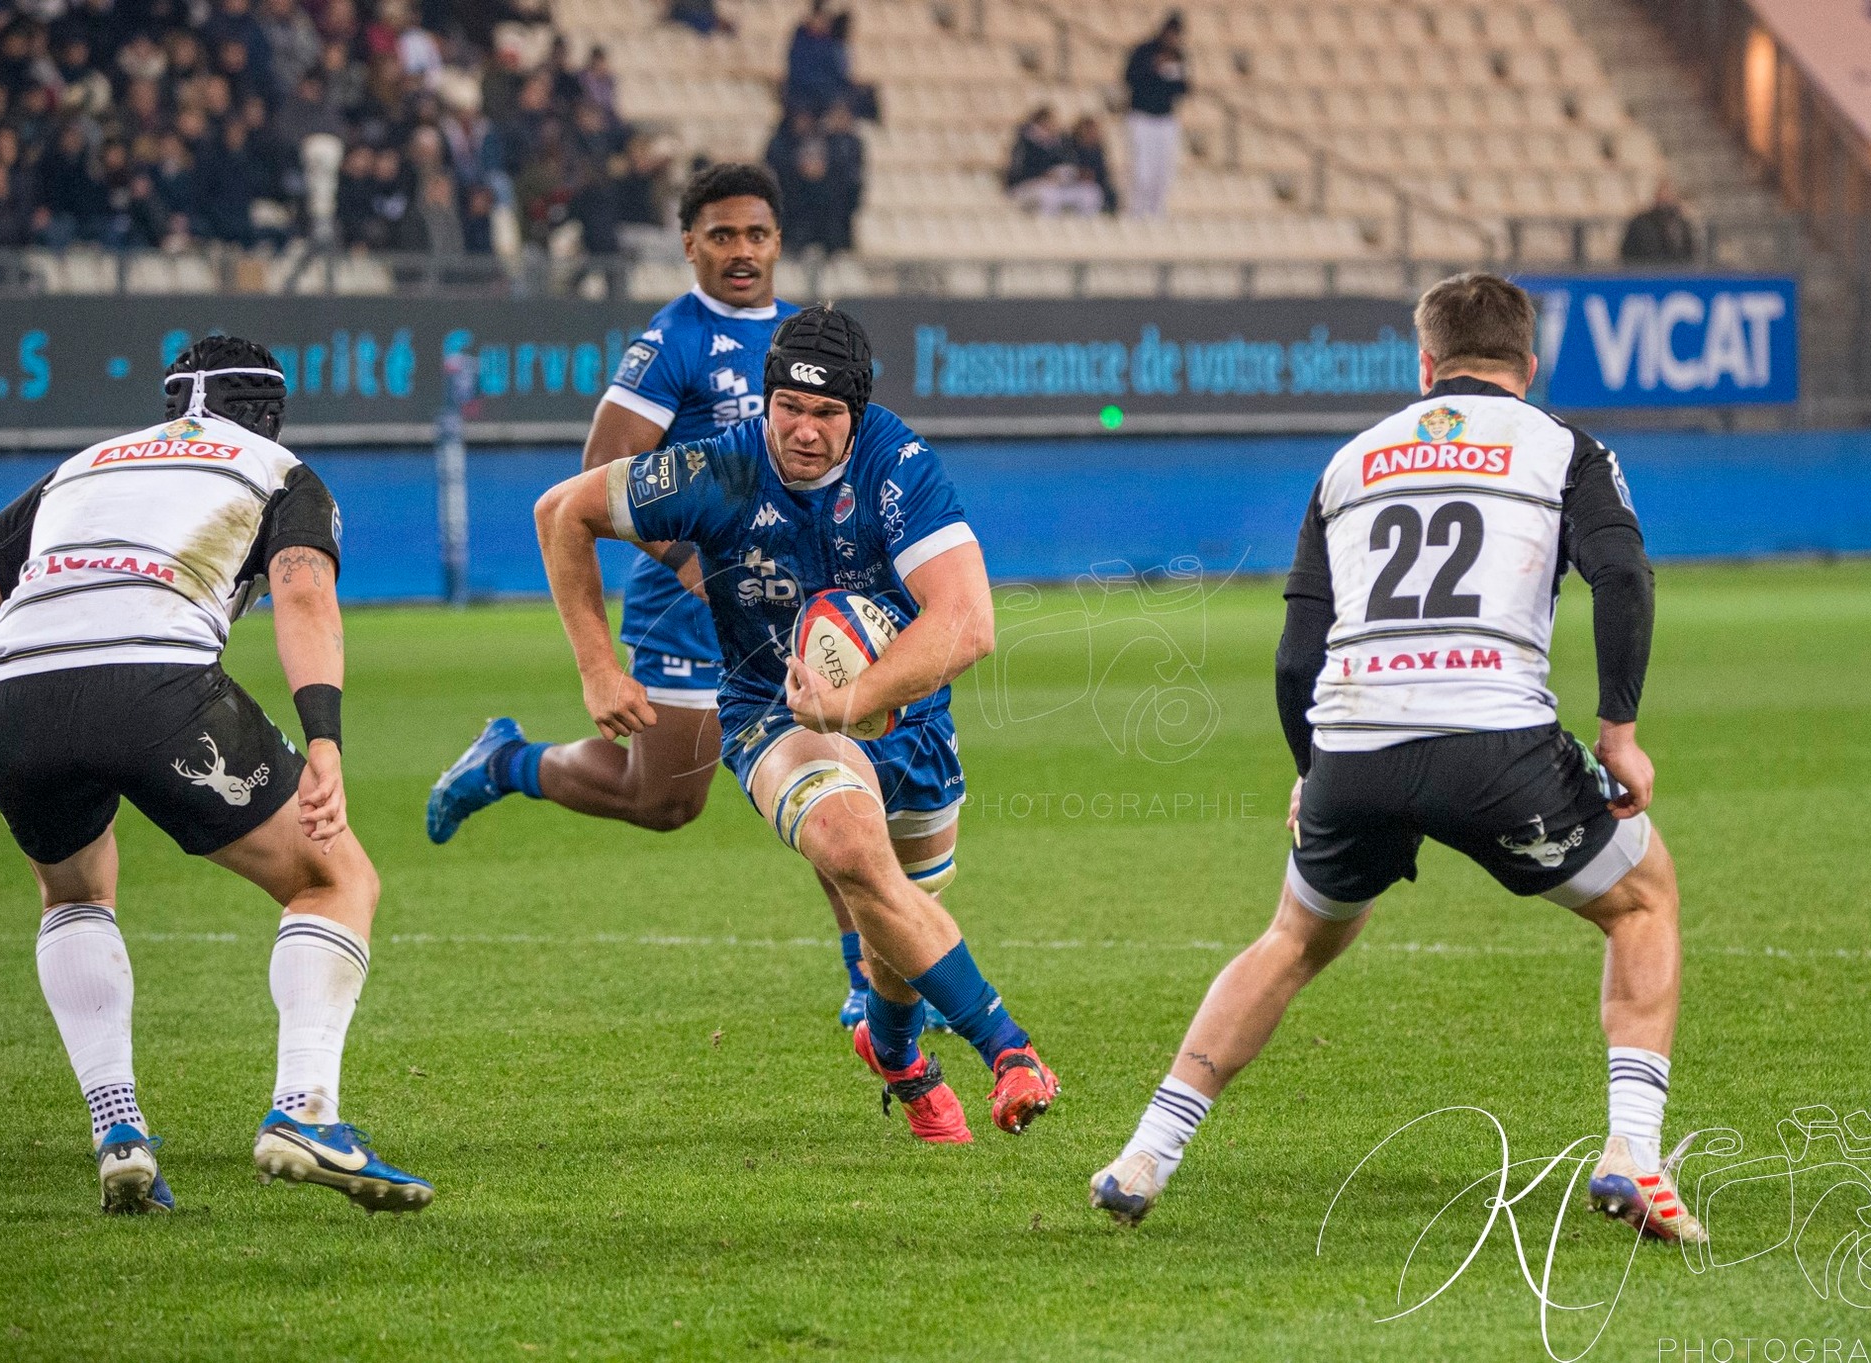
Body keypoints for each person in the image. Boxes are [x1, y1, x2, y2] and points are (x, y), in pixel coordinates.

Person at [1089, 272, 1703, 1246]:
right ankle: (1630, 1151)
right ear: (1527, 364)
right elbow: (1620, 572)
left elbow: (1297, 651)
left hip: (1353, 750)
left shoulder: (1351, 462)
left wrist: (1308, 766)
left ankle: (1143, 1153)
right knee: (1642, 901)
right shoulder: (1562, 449)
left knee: (1291, 939)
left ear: (1423, 363)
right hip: (1497, 747)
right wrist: (1618, 731)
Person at [0, 335, 431, 1215]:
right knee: (335, 878)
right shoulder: (278, 469)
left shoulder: (79, 469)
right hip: (154, 684)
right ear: (271, 410)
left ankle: (120, 1130)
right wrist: (327, 742)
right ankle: (306, 1110)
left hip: (9, 698)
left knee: (75, 892)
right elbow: (304, 596)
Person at [531, 304, 1061, 1144]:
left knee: (899, 926)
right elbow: (564, 512)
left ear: (857, 414)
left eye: (826, 414)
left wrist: (855, 700)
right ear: (766, 400)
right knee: (853, 851)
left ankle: (894, 1052)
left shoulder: (900, 466)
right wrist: (599, 665)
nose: (805, 431)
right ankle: (1010, 1052)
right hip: (770, 713)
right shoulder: (720, 469)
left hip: (908, 722)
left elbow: (968, 623)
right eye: (789, 408)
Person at [428, 166, 909, 1029]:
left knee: (829, 760)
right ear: (689, 244)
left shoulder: (799, 337)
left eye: (756, 234)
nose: (741, 251)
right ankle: (506, 762)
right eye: (721, 235)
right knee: (664, 801)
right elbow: (599, 470)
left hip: (791, 597)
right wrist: (696, 562)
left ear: (777, 243)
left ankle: (865, 978)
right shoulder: (673, 339)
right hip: (691, 599)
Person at [1123, 12, 1188, 218]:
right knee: (1142, 170)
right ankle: (1137, 212)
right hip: (1142, 118)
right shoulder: (1144, 51)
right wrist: (1153, 68)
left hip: (1165, 119)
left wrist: (1170, 73)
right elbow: (1129, 78)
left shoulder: (1178, 56)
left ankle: (1156, 211)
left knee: (1163, 170)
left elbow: (1184, 88)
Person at [1004, 106, 1102, 217]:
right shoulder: (1024, 143)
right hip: (1026, 186)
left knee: (1090, 193)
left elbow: (1068, 164)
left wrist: (1076, 175)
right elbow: (1017, 172)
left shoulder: (1060, 142)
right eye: (1050, 121)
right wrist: (1042, 175)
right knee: (1048, 195)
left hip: (1058, 185)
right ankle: (1045, 230)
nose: (1054, 125)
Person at [1620, 178, 1696, 266]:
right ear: (1655, 196)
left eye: (1669, 194)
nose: (1666, 198)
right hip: (1647, 273)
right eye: (1662, 193)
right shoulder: (1640, 223)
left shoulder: (1681, 223)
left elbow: (1689, 252)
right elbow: (1627, 253)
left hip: (1677, 274)